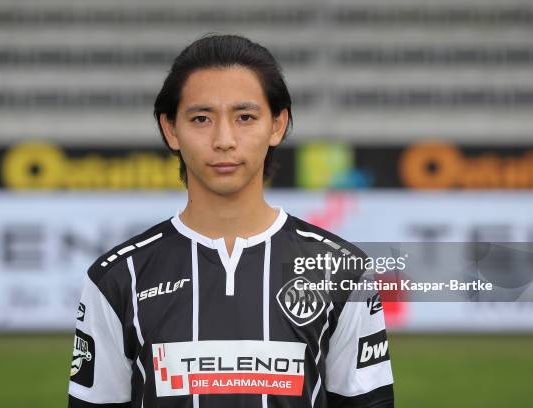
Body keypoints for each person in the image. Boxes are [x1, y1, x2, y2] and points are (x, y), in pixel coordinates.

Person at [68, 34, 394, 408]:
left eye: (245, 117)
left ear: (277, 124)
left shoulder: (343, 271)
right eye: (202, 118)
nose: (224, 139)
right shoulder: (116, 278)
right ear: (171, 129)